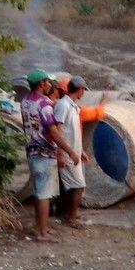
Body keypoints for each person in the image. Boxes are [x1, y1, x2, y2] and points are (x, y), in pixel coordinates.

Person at [20, 69, 82, 242]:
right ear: (41, 84)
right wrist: (70, 151)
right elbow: (53, 132)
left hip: (32, 151)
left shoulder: (25, 101)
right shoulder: (44, 105)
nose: (49, 85)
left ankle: (40, 228)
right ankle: (42, 232)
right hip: (44, 153)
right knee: (44, 194)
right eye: (47, 82)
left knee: (39, 192)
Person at [53, 75, 91, 227]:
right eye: (83, 90)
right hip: (68, 154)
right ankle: (70, 218)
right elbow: (57, 130)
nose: (84, 93)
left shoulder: (73, 106)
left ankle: (70, 215)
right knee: (78, 186)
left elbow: (72, 131)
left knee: (75, 186)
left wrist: (80, 151)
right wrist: (60, 154)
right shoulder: (63, 105)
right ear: (79, 90)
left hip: (73, 153)